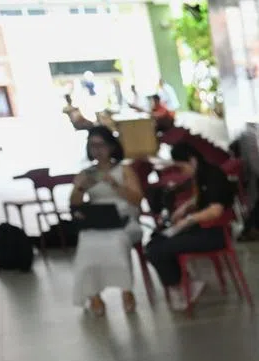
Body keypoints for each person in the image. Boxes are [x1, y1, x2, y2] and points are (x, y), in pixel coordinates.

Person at [144, 141, 234, 311]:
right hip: (203, 228)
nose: (181, 171)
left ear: (192, 161)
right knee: (155, 241)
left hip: (214, 234)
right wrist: (184, 208)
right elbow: (201, 199)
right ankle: (183, 283)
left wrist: (188, 220)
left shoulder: (213, 175)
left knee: (157, 249)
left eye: (181, 166)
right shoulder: (201, 175)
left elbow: (215, 209)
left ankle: (182, 286)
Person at [69, 126, 144, 316]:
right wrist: (80, 188)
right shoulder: (87, 173)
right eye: (93, 146)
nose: (97, 150)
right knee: (86, 244)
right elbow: (74, 204)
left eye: (101, 145)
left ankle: (126, 290)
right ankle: (93, 295)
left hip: (124, 218)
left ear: (111, 146)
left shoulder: (124, 169)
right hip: (98, 219)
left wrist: (115, 185)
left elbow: (137, 199)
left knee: (117, 242)